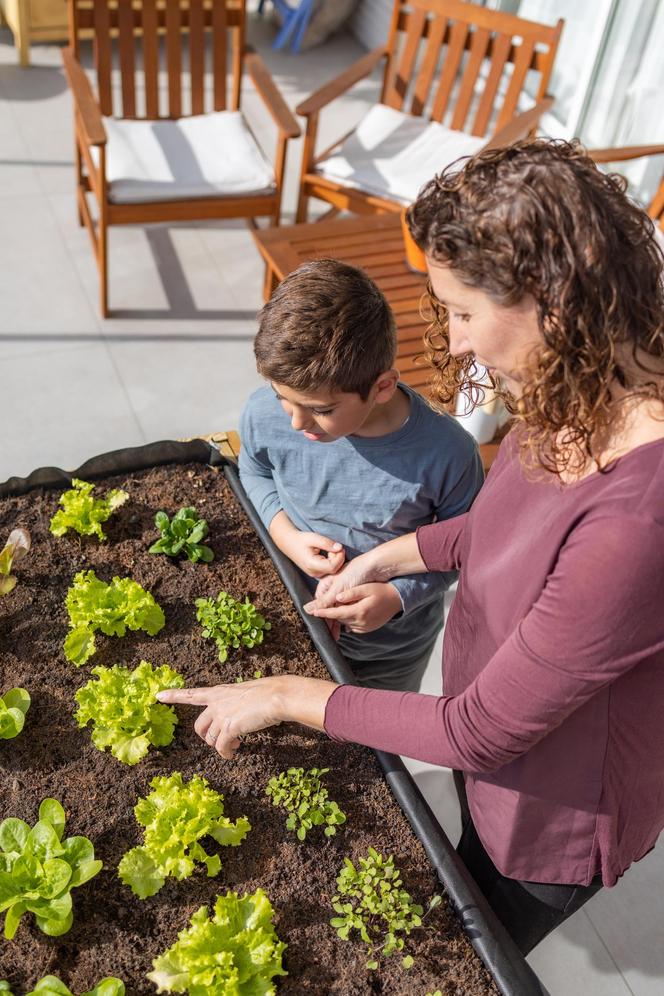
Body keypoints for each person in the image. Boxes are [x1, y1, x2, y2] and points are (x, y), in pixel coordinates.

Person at [158, 140, 664, 955]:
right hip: (489, 747)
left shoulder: (642, 520)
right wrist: (391, 558)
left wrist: (289, 693)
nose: (455, 343)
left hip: (553, 808)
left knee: (473, 937)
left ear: (552, 305)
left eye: (463, 313)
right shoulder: (574, 383)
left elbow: (477, 733)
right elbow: (504, 526)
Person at [237, 258, 482, 691]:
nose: (295, 422)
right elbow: (254, 469)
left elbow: (463, 547)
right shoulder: (264, 413)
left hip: (390, 652)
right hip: (292, 628)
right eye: (283, 399)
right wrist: (287, 537)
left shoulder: (448, 454)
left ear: (383, 387)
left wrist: (396, 598)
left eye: (321, 410)